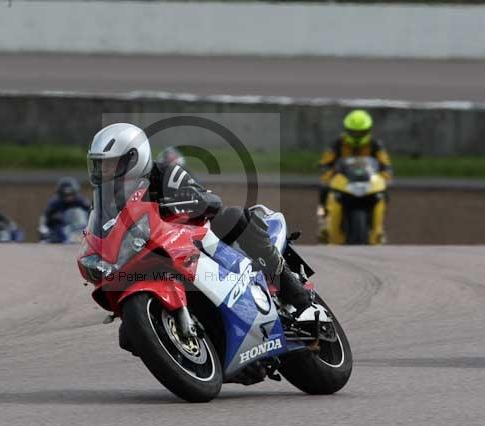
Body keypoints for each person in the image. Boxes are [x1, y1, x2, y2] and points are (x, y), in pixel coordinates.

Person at [86, 122, 314, 315]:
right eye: (100, 165)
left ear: (135, 157)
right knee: (128, 336)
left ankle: (295, 293)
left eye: (110, 164)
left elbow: (210, 201)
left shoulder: (166, 174)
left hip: (193, 238)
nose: (104, 171)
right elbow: (102, 231)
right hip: (152, 253)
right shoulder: (104, 201)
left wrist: (192, 200)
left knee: (234, 217)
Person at [317, 109, 393, 239]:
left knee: (384, 193)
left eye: (361, 132)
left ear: (368, 131)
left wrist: (385, 176)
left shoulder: (375, 145)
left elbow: (385, 163)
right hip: (343, 180)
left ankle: (379, 226)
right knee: (324, 189)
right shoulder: (337, 144)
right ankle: (324, 217)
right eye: (353, 132)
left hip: (368, 180)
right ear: (347, 130)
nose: (357, 135)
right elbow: (325, 162)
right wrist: (327, 174)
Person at [39, 177, 91, 241]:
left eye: (70, 194)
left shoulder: (82, 202)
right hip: (60, 233)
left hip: (78, 229)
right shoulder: (54, 204)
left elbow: (92, 213)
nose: (68, 197)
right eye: (65, 195)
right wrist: (44, 230)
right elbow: (45, 218)